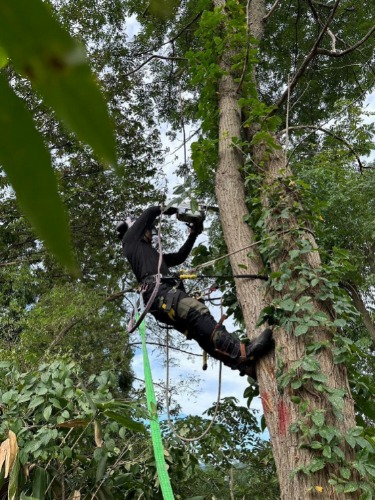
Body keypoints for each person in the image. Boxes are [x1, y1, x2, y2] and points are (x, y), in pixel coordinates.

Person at [117, 205, 274, 377]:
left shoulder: (152, 254)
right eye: (149, 230)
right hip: (159, 293)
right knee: (197, 311)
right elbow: (149, 212)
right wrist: (170, 209)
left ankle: (240, 364)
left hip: (161, 297)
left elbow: (179, 257)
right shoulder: (130, 241)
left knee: (200, 333)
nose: (151, 233)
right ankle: (241, 352)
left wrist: (193, 235)